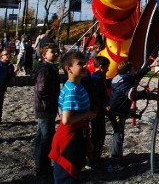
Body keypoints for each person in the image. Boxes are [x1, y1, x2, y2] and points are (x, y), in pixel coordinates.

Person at [49, 51, 96, 183]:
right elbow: (66, 119)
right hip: (68, 141)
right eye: (80, 64)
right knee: (67, 178)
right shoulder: (72, 90)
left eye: (84, 63)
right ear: (68, 68)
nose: (85, 66)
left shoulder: (75, 86)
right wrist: (87, 115)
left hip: (76, 136)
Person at [108, 60, 150, 168]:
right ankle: (114, 162)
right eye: (132, 69)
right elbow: (133, 96)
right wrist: (146, 93)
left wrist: (149, 67)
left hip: (119, 110)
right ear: (128, 71)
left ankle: (118, 157)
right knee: (119, 134)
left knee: (119, 133)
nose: (134, 71)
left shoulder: (121, 77)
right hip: (117, 112)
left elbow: (136, 75)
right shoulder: (124, 82)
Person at [33, 43, 61, 176]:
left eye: (56, 51)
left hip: (46, 106)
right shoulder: (45, 69)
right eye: (52, 52)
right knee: (46, 136)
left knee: (42, 135)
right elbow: (41, 90)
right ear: (44, 55)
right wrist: (52, 101)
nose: (55, 54)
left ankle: (41, 164)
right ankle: (42, 166)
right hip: (45, 107)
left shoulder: (50, 68)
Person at [82, 55, 110, 169]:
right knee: (97, 135)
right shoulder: (95, 80)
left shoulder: (98, 78)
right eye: (107, 68)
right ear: (101, 67)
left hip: (98, 110)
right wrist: (103, 105)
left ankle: (95, 157)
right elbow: (96, 96)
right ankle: (92, 159)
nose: (108, 70)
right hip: (97, 111)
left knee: (98, 134)